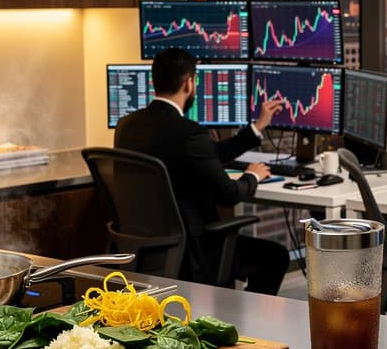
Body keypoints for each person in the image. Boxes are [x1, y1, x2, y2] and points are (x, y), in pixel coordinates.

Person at [115, 47, 289, 294]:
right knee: (275, 257)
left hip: (144, 249)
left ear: (154, 81)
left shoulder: (126, 126)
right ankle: (249, 319)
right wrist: (253, 176)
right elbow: (228, 194)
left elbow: (209, 154)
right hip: (192, 253)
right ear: (189, 83)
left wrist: (256, 128)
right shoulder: (189, 132)